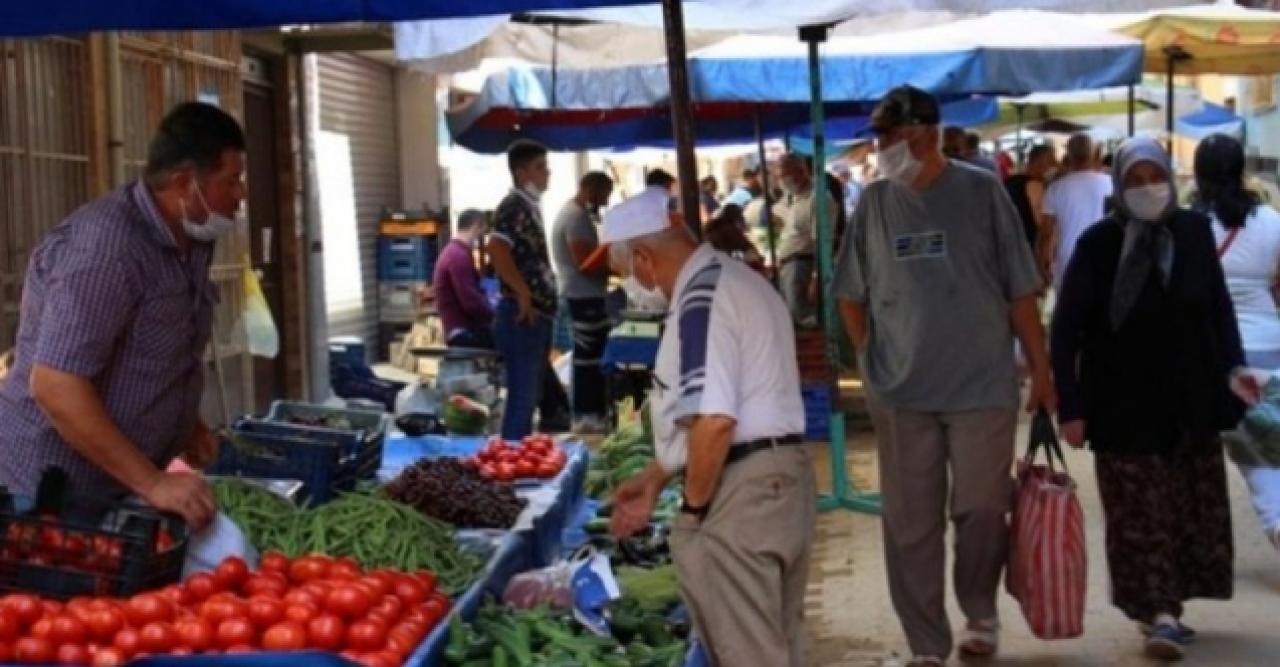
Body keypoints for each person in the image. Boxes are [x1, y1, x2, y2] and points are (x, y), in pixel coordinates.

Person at [835, 86, 1055, 667]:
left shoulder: (981, 191)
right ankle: (926, 644)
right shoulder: (875, 203)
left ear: (927, 133)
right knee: (911, 524)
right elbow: (849, 294)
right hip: (902, 390)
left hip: (981, 386)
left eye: (891, 137)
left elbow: (1021, 290)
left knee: (982, 507)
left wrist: (1043, 371)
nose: (881, 148)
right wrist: (870, 358)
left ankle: (979, 609)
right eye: (878, 137)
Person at [1051, 137, 1257, 661]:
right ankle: (1160, 613)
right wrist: (1070, 406)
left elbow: (1217, 307)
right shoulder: (1100, 243)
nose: (1147, 189)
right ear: (1119, 184)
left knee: (1184, 510)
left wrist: (1235, 369)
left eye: (1154, 177)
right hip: (1121, 403)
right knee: (1138, 512)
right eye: (1135, 181)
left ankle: (1166, 607)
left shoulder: (1191, 231)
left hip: (1190, 397)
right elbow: (1067, 328)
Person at [0, 102, 247, 529]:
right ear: (185, 183)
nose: (240, 194)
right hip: (52, 492)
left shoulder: (192, 234)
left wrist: (186, 423)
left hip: (117, 483)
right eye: (232, 180)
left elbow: (153, 344)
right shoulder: (106, 252)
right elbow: (56, 385)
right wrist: (152, 483)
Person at [606, 187, 814, 667]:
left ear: (642, 257)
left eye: (625, 273)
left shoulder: (702, 297)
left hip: (743, 492)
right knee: (776, 640)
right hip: (781, 478)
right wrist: (656, 478)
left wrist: (694, 513)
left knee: (746, 651)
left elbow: (716, 420)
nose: (630, 285)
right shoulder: (739, 280)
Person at [1193, 133, 1280, 550]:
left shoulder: (1190, 224)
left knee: (1251, 450)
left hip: (1216, 351)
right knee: (1271, 439)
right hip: (1269, 342)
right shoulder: (1271, 221)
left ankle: (1277, 519)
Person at [487, 139, 571, 440]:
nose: (546, 174)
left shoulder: (529, 206)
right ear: (521, 173)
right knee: (522, 396)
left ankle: (516, 455)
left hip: (535, 315)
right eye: (540, 168)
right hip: (522, 315)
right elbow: (496, 248)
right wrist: (522, 293)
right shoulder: (514, 206)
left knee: (529, 394)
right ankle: (509, 462)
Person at [551, 171, 614, 434]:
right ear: (590, 189)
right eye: (603, 195)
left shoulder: (574, 213)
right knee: (588, 359)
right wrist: (614, 268)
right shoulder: (576, 218)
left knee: (587, 357)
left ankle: (588, 412)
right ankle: (588, 414)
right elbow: (585, 264)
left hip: (580, 293)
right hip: (582, 296)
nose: (605, 202)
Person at [1040, 133, 1113, 291]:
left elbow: (1047, 232)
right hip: (1105, 255)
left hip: (1068, 258)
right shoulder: (1110, 184)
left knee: (1070, 310)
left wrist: (1043, 263)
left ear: (1068, 155)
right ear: (1093, 153)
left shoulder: (1056, 188)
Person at [777, 153, 836, 328]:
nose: (781, 181)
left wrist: (816, 277)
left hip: (803, 266)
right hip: (789, 267)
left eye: (784, 175)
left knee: (804, 320)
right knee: (792, 319)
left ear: (800, 171)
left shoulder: (818, 198)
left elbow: (823, 242)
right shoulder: (793, 198)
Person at [434, 209, 494, 349]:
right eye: (483, 232)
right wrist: (495, 316)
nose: (482, 238)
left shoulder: (453, 252)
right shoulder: (458, 257)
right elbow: (471, 301)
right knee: (515, 340)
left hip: (458, 328)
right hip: (462, 331)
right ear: (476, 226)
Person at [1004, 144, 1058, 254]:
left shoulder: (1009, 181)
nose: (1053, 167)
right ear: (1042, 161)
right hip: (1027, 244)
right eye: (1052, 162)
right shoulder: (1034, 185)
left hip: (1009, 239)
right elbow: (1040, 221)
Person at [704, 204, 765, 274]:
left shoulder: (716, 229)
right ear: (736, 218)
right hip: (737, 271)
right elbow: (743, 252)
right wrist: (757, 259)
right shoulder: (729, 231)